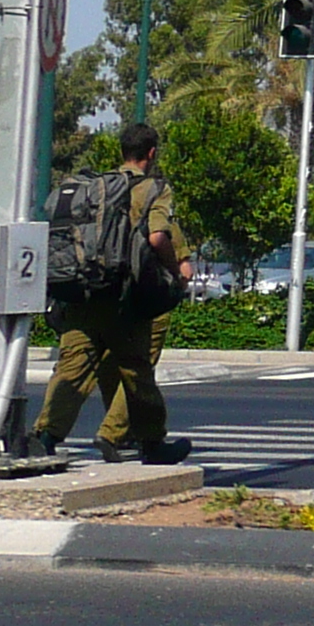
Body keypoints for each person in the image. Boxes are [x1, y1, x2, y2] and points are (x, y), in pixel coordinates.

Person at [34, 122, 192, 465]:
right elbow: (157, 237)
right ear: (151, 153)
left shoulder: (95, 186)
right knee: (137, 372)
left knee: (72, 369)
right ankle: (151, 444)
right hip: (124, 296)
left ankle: (45, 436)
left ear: (122, 151)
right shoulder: (153, 189)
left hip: (82, 291)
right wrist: (173, 275)